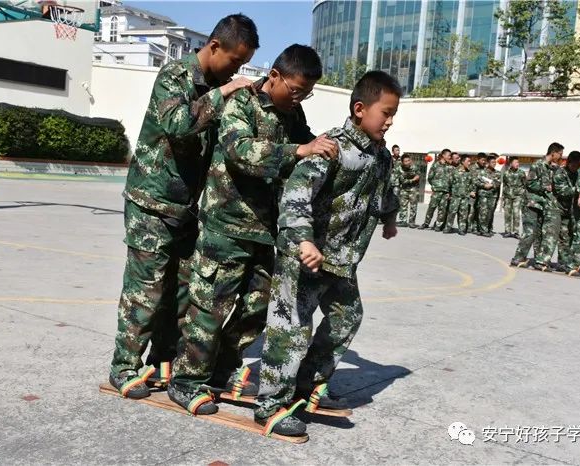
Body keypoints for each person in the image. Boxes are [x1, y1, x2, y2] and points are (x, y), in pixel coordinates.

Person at [167, 45, 337, 414]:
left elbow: (307, 143)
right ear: (274, 76)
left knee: (255, 310)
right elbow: (239, 150)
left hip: (263, 229)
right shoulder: (242, 101)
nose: (299, 98)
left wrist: (325, 147)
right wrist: (298, 151)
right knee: (210, 307)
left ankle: (220, 372)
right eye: (296, 90)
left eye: (306, 93)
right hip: (225, 225)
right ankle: (185, 381)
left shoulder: (292, 112)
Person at [109, 14, 260, 399]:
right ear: (215, 46)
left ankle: (163, 360)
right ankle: (123, 366)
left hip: (190, 209)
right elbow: (177, 123)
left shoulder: (218, 87)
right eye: (235, 61)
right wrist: (224, 94)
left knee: (181, 292)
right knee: (146, 290)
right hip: (152, 203)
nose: (237, 71)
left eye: (243, 65)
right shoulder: (174, 76)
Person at [254, 71, 401, 437]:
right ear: (359, 109)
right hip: (306, 255)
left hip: (340, 259)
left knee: (347, 316)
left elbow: (384, 193)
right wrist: (304, 240)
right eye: (385, 112)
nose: (390, 121)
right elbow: (296, 195)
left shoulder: (381, 156)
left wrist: (390, 219)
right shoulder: (332, 147)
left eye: (394, 114)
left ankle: (307, 386)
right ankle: (270, 405)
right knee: (291, 326)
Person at [510, 143, 564, 271]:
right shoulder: (537, 165)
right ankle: (518, 257)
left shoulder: (551, 168)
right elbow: (530, 183)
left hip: (542, 205)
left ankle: (539, 260)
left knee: (539, 234)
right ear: (553, 153)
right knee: (530, 232)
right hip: (532, 203)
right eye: (560, 154)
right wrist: (545, 187)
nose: (561, 157)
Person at [552, 151, 580, 277]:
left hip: (571, 210)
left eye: (578, 165)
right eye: (574, 165)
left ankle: (564, 262)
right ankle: (548, 261)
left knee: (568, 236)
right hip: (557, 208)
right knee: (558, 236)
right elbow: (563, 192)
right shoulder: (560, 173)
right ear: (568, 163)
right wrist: (579, 190)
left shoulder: (578, 173)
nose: (576, 168)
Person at [419, 149, 451, 231]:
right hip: (436, 191)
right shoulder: (435, 165)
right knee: (431, 207)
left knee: (442, 209)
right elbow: (430, 177)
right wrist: (435, 186)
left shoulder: (449, 167)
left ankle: (438, 225)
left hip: (445, 192)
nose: (449, 157)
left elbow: (451, 180)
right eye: (448, 155)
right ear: (443, 155)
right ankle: (426, 223)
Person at [444, 154, 472, 235]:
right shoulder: (454, 171)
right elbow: (449, 183)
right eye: (468, 161)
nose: (469, 163)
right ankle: (448, 228)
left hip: (465, 197)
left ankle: (462, 229)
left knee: (463, 214)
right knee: (452, 213)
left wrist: (471, 191)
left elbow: (472, 184)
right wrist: (448, 193)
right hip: (455, 197)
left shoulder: (469, 173)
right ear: (463, 162)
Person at [475, 154, 501, 237]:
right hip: (483, 194)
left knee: (490, 213)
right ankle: (483, 230)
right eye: (492, 162)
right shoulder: (481, 172)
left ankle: (488, 228)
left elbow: (498, 183)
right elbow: (476, 181)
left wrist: (492, 185)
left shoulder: (498, 173)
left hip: (493, 195)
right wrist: (484, 185)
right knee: (483, 212)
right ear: (488, 163)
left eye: (495, 162)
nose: (494, 164)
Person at [501, 157, 526, 238]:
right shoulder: (506, 173)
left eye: (518, 162)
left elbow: (525, 184)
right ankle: (507, 231)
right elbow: (504, 185)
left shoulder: (521, 173)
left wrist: (523, 194)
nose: (517, 164)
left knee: (516, 213)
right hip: (507, 196)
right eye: (515, 162)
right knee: (507, 214)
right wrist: (503, 197)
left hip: (518, 196)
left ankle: (516, 232)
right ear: (511, 164)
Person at [396, 154, 421, 227]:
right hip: (404, 189)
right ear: (402, 162)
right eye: (405, 161)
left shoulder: (415, 167)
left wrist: (412, 180)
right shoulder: (399, 169)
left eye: (408, 160)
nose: (407, 162)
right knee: (403, 205)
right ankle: (403, 221)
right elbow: (402, 180)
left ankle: (411, 222)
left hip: (414, 189)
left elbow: (418, 176)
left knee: (413, 206)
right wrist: (412, 179)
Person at [467, 153, 487, 233]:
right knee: (471, 211)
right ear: (478, 160)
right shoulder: (471, 168)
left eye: (485, 160)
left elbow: (485, 179)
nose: (484, 162)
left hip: (481, 193)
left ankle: (475, 227)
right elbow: (467, 181)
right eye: (482, 160)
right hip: (473, 193)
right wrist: (469, 191)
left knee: (478, 211)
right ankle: (468, 227)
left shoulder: (485, 169)